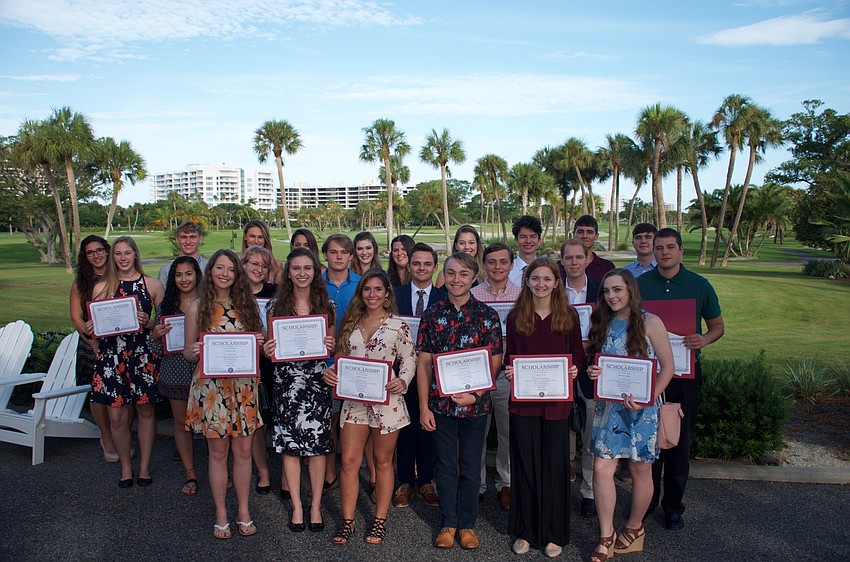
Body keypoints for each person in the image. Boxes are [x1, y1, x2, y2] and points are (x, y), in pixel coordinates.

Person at [637, 228, 724, 531]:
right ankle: (646, 502)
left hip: (685, 375)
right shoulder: (640, 285)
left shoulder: (699, 285)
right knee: (649, 440)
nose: (664, 253)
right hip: (648, 373)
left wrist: (704, 339)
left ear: (680, 250)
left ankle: (673, 506)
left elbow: (717, 326)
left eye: (670, 247)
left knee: (679, 441)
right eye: (659, 247)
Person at [586, 269, 675, 561]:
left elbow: (667, 368)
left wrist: (649, 398)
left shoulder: (651, 322)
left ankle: (635, 527)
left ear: (630, 291)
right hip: (610, 409)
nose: (611, 296)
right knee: (601, 470)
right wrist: (592, 371)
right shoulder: (601, 321)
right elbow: (596, 363)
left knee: (640, 471)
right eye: (606, 291)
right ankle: (606, 534)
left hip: (642, 412)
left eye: (617, 290)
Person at [323, 269, 417, 545]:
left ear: (387, 293)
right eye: (367, 289)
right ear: (360, 293)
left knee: (382, 461)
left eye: (378, 289)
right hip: (354, 402)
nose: (372, 294)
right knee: (350, 462)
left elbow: (410, 358)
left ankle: (379, 520)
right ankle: (348, 521)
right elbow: (340, 357)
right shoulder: (350, 322)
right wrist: (331, 372)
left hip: (387, 402)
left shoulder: (397, 325)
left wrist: (403, 380)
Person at [417, 252, 503, 550]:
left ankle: (467, 525)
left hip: (476, 405)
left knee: (470, 466)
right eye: (451, 273)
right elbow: (424, 364)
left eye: (463, 274)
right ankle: (447, 522)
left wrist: (476, 394)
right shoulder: (432, 314)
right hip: (440, 405)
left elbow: (495, 362)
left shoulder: (487, 315)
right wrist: (423, 406)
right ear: (444, 275)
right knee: (444, 466)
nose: (456, 280)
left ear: (473, 277)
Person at [503, 257, 584, 558]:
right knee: (524, 465)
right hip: (523, 404)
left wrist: (574, 368)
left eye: (547, 279)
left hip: (557, 404)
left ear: (556, 282)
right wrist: (511, 370)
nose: (541, 284)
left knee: (554, 467)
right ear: (526, 282)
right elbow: (511, 355)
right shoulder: (515, 317)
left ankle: (554, 533)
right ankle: (524, 531)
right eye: (535, 278)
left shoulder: (569, 316)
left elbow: (577, 353)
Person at [184, 249, 264, 539]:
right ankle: (221, 513)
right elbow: (187, 352)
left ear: (237, 273)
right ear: (211, 270)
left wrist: (259, 340)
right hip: (212, 390)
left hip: (243, 388)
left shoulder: (248, 305)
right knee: (217, 454)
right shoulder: (196, 307)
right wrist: (193, 352)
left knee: (243, 453)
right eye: (220, 268)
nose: (225, 274)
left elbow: (261, 340)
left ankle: (243, 510)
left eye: (230, 269)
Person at [262, 248, 336, 534]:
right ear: (288, 272)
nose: (302, 273)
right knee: (290, 448)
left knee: (317, 448)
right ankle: (296, 506)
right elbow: (271, 347)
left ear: (315, 272)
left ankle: (315, 505)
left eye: (308, 268)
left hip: (317, 382)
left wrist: (330, 346)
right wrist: (267, 350)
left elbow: (333, 343)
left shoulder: (327, 304)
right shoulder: (274, 306)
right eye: (296, 268)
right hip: (287, 383)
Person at [90, 236, 164, 488]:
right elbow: (96, 328)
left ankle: (144, 466)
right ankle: (125, 466)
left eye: (127, 253)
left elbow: (165, 325)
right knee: (117, 416)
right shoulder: (102, 287)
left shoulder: (152, 285)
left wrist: (149, 322)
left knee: (145, 410)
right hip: (112, 357)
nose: (123, 258)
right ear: (113, 257)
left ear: (135, 255)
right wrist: (92, 327)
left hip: (141, 355)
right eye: (118, 254)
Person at [392, 242, 445, 509]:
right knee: (404, 427)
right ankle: (404, 481)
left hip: (434, 375)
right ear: (409, 266)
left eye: (427, 264)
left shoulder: (444, 297)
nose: (421, 268)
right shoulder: (395, 296)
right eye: (416, 263)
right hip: (400, 374)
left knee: (428, 427)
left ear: (435, 268)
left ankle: (426, 481)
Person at [471, 242, 521, 511]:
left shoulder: (522, 295)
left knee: (507, 431)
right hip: (477, 374)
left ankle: (506, 483)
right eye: (492, 262)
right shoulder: (474, 294)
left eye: (503, 262)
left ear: (511, 265)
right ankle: (476, 484)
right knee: (477, 432)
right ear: (484, 264)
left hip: (507, 374)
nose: (497, 267)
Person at [149, 256, 202, 495]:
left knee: (212, 426)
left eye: (188, 273)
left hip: (204, 372)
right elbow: (156, 350)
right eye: (179, 275)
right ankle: (190, 473)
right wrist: (156, 336)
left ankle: (221, 472)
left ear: (197, 275)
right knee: (182, 425)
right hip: (175, 372)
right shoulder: (166, 306)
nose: (184, 279)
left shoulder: (208, 303)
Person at [561, 237, 601, 515]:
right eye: (569, 258)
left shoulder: (602, 291)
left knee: (589, 434)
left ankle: (589, 490)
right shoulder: (550, 290)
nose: (574, 262)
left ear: (588, 259)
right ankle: (559, 486)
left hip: (592, 371)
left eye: (579, 257)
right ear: (562, 261)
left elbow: (613, 329)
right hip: (558, 372)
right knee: (560, 433)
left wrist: (593, 343)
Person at [69, 235, 116, 462]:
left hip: (118, 344)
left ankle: (120, 438)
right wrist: (92, 341)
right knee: (97, 394)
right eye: (90, 252)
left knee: (119, 393)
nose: (96, 255)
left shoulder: (119, 277)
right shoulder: (81, 282)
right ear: (85, 257)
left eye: (99, 250)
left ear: (107, 251)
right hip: (91, 343)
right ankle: (106, 438)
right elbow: (76, 317)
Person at [321, 234, 361, 492]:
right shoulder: (315, 284)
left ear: (350, 256)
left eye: (343, 252)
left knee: (357, 419)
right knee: (330, 419)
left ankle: (361, 473)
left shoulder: (361, 284)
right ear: (325, 254)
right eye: (333, 252)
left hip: (357, 362)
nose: (338, 256)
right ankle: (328, 474)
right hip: (324, 362)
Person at [241, 246, 276, 495]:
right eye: (254, 264)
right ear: (242, 264)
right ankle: (263, 470)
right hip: (243, 365)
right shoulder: (233, 293)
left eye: (264, 266)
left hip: (273, 363)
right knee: (254, 423)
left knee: (271, 418)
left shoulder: (275, 293)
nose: (258, 269)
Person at [158, 220, 207, 285]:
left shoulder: (210, 268)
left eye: (192, 237)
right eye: (184, 237)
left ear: (200, 239)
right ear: (177, 240)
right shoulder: (166, 270)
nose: (188, 242)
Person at [568, 215, 614, 282]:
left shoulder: (607, 267)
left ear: (596, 236)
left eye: (589, 232)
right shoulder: (560, 267)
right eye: (580, 232)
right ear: (573, 234)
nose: (584, 236)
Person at [242, 219, 283, 283]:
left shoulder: (276, 265)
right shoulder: (237, 264)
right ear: (245, 236)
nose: (256, 241)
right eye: (252, 236)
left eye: (260, 237)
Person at [508, 215, 543, 287]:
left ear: (539, 241)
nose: (528, 241)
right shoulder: (506, 271)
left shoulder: (546, 270)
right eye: (523, 237)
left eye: (533, 236)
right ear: (516, 240)